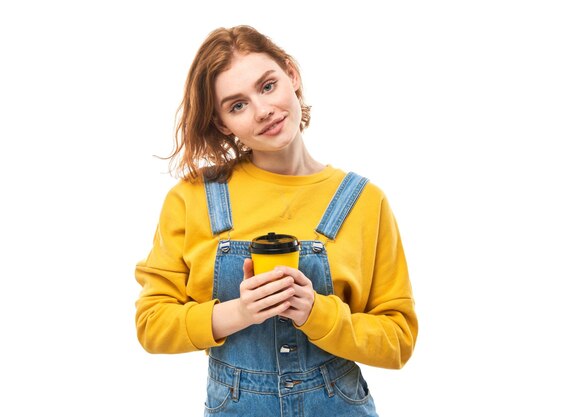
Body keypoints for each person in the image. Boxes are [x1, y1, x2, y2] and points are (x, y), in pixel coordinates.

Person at [135, 25, 418, 416]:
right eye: (237, 105)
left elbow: (398, 340)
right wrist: (238, 312)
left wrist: (315, 313)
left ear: (292, 75)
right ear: (222, 124)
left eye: (267, 86)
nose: (263, 110)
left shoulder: (363, 202)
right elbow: (151, 324)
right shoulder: (193, 198)